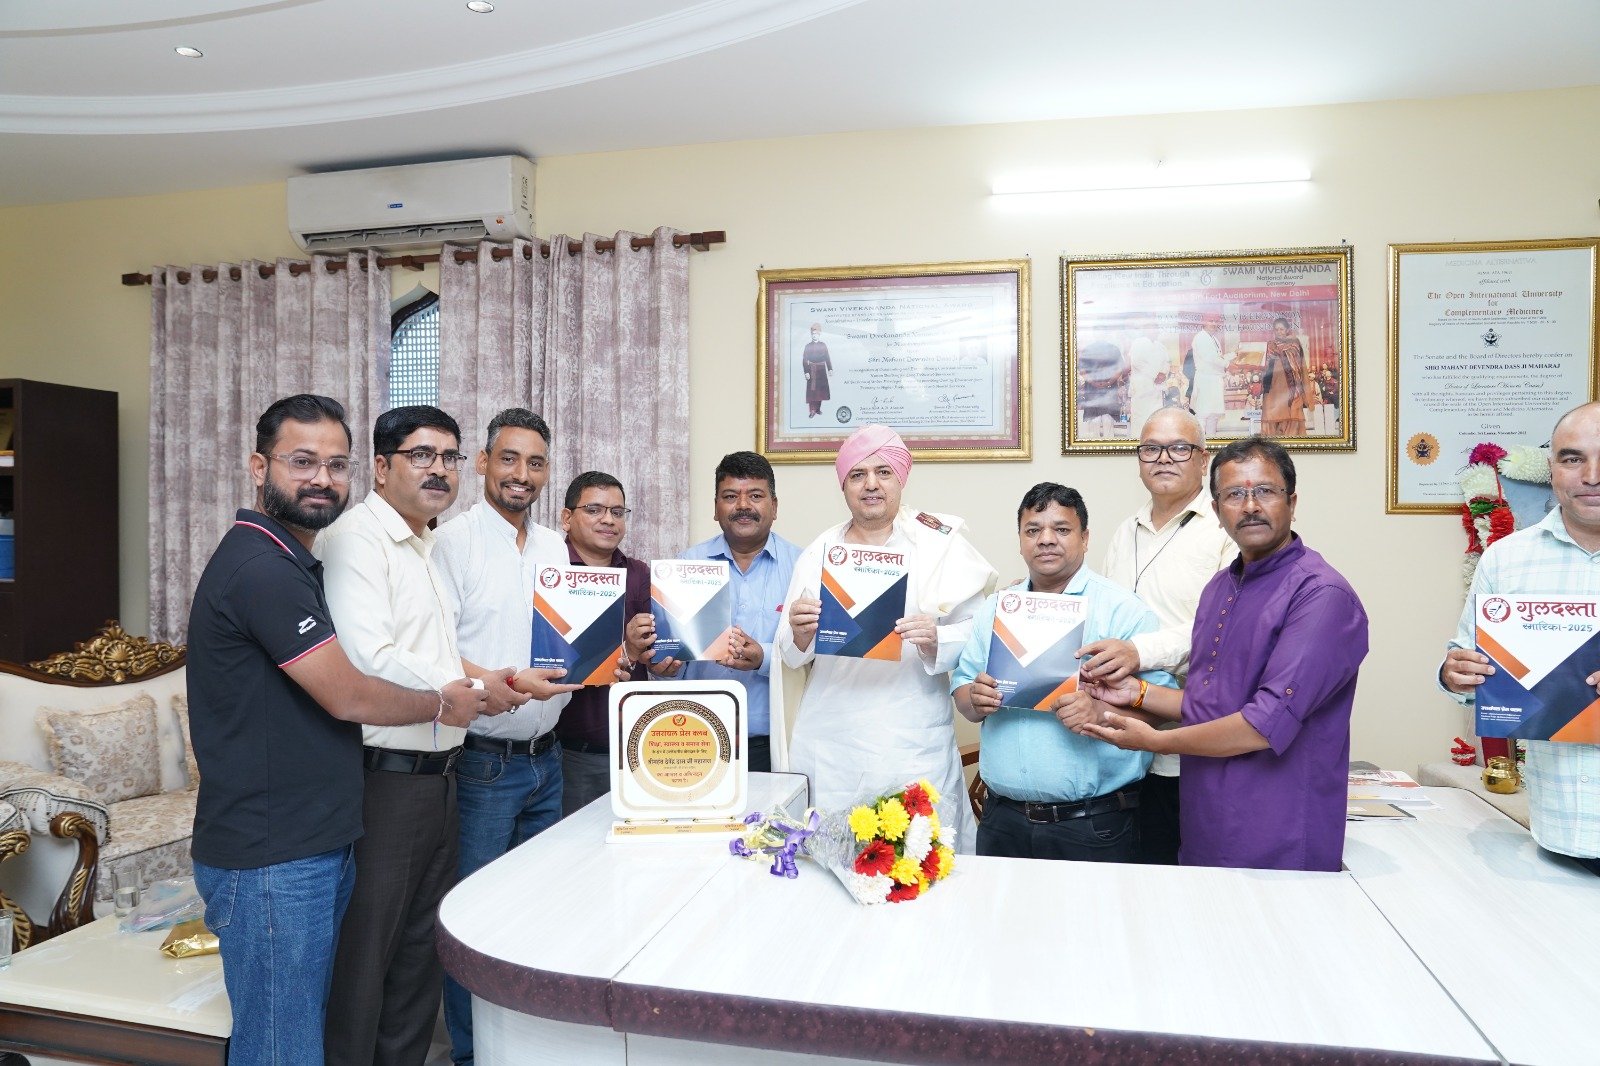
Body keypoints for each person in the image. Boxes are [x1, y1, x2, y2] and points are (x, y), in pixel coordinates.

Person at [187, 394, 489, 1066]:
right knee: (284, 1045)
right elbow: (348, 692)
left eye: (334, 464)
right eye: (302, 462)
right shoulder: (261, 568)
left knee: (306, 1028)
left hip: (311, 836)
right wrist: (444, 705)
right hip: (272, 853)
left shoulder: (293, 561)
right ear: (259, 467)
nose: (321, 479)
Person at [319, 405, 529, 1066]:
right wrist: (471, 693)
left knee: (418, 958)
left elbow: (435, 652)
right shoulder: (356, 539)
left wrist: (498, 680)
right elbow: (371, 657)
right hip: (383, 780)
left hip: (441, 779)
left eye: (448, 457)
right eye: (420, 455)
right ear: (381, 467)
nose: (438, 469)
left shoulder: (428, 544)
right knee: (367, 959)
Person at [1079, 436, 1368, 872]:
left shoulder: (1321, 595)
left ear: (1292, 502)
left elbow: (1264, 724)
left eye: (1265, 491)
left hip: (1279, 829)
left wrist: (1156, 741)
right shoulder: (1219, 588)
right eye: (1234, 494)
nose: (1250, 506)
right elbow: (1209, 703)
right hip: (1206, 821)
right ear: (1216, 511)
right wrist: (1136, 693)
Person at [432, 408, 583, 1066]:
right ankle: (472, 1056)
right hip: (483, 767)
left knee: (537, 917)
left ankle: (524, 1051)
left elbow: (566, 642)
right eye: (510, 459)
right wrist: (514, 681)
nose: (523, 474)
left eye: (536, 463)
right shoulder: (451, 543)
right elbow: (437, 649)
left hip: (547, 761)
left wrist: (603, 660)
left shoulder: (553, 547)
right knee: (475, 924)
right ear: (484, 464)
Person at [775, 424, 997, 852]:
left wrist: (937, 637)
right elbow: (789, 651)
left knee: (920, 863)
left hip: (910, 736)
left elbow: (979, 630)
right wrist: (799, 634)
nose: (871, 485)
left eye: (883, 472)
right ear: (844, 485)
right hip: (833, 740)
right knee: (831, 862)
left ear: (901, 479)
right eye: (857, 475)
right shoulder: (820, 551)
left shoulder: (939, 544)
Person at [950, 483, 1175, 862]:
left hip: (1093, 824)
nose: (1046, 539)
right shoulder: (997, 609)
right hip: (1001, 820)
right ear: (1020, 540)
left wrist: (1100, 713)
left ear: (1085, 538)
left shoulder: (1124, 611)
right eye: (1033, 530)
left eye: (1062, 529)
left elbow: (1161, 711)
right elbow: (962, 695)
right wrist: (974, 697)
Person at [1440, 401, 1600, 876]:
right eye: (1573, 458)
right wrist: (1455, 674)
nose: (1591, 475)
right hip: (1557, 835)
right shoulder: (1505, 560)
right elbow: (1465, 667)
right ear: (1552, 468)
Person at [1082, 409, 1236, 865]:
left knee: (1194, 879)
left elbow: (1223, 628)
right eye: (1151, 449)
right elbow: (1104, 614)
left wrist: (1138, 652)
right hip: (1121, 743)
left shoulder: (1225, 530)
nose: (1163, 458)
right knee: (1134, 880)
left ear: (1203, 459)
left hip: (1192, 744)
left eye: (1179, 448)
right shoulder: (1124, 531)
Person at [651, 451, 801, 773]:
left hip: (776, 744)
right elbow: (670, 661)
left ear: (774, 506)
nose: (743, 505)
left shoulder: (803, 568)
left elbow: (815, 657)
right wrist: (663, 664)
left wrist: (763, 657)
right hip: (695, 741)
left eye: (755, 496)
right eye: (731, 496)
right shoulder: (684, 566)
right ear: (716, 507)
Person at [554, 470, 652, 815]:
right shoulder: (551, 572)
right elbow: (557, 660)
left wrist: (666, 657)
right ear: (567, 518)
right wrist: (626, 650)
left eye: (617, 512)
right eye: (594, 510)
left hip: (636, 749)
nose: (608, 520)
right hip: (571, 752)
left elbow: (656, 655)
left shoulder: (639, 573)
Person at [1261, 317, 1309, 437]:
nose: (1279, 332)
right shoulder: (1271, 344)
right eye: (1276, 329)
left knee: (1291, 410)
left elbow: (1298, 362)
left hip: (1291, 384)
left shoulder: (1294, 343)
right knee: (1271, 409)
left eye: (1281, 329)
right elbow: (1267, 364)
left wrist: (1281, 354)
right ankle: (1272, 438)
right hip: (1273, 384)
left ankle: (1290, 437)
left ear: (1287, 330)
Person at [1189, 314, 1233, 436]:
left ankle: (1211, 442)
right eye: (1210, 320)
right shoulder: (1201, 337)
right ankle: (1200, 444)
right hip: (1206, 379)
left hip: (1215, 379)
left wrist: (1234, 355)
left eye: (1216, 321)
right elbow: (1211, 358)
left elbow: (1218, 357)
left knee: (1214, 415)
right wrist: (1228, 364)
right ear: (1203, 322)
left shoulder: (1213, 338)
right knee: (1203, 414)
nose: (1214, 324)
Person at [1077, 335, 1127, 439]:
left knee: (1101, 422)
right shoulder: (1112, 349)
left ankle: (1098, 446)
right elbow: (1082, 369)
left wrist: (1095, 383)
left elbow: (1119, 369)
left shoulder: (1090, 349)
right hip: (1100, 391)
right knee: (1102, 422)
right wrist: (1108, 383)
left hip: (1100, 391)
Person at [1126, 318, 1167, 436]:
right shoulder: (1138, 343)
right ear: (1145, 330)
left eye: (1156, 329)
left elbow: (1167, 362)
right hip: (1142, 388)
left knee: (1155, 418)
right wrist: (1155, 374)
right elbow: (1137, 362)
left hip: (1157, 388)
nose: (1155, 331)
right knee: (1140, 420)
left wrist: (1163, 373)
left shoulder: (1161, 346)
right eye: (1151, 329)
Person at [802, 322, 833, 419]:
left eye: (816, 334)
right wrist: (806, 372)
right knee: (812, 391)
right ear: (811, 335)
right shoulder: (808, 346)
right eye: (813, 334)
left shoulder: (823, 345)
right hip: (812, 370)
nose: (814, 336)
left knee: (820, 391)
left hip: (822, 371)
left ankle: (818, 409)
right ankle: (812, 410)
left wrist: (830, 369)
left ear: (819, 334)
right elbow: (804, 360)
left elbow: (827, 357)